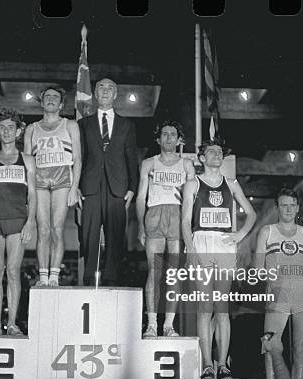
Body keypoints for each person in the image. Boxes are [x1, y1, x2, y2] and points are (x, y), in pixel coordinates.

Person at [181, 140, 256, 379]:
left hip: (224, 243)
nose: (216, 154)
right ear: (202, 158)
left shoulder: (231, 184)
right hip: (201, 240)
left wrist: (240, 234)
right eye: (211, 151)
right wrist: (190, 250)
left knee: (222, 309)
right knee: (205, 309)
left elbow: (251, 213)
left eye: (220, 152)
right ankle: (206, 365)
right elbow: (184, 221)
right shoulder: (193, 183)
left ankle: (222, 364)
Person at [255, 188, 303, 379]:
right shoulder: (267, 231)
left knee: (300, 348)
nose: (289, 209)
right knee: (271, 344)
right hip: (278, 294)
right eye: (284, 205)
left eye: (292, 204)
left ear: (298, 207)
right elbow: (257, 267)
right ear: (277, 207)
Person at [0, 108, 36, 336]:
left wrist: (30, 221)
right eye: (2, 128)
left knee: (13, 270)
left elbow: (32, 193)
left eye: (10, 127)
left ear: (18, 131)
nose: (6, 131)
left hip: (17, 219)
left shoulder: (27, 160)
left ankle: (11, 323)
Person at [136, 120, 195, 337]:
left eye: (173, 134)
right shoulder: (148, 164)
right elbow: (141, 197)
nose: (169, 137)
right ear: (158, 139)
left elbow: (191, 200)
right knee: (154, 271)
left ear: (179, 140)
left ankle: (168, 325)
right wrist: (141, 226)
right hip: (154, 215)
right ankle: (151, 324)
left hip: (178, 216)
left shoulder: (187, 165)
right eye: (165, 134)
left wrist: (188, 229)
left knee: (174, 274)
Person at [78, 78, 138, 285]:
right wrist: (76, 187)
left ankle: (112, 277)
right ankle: (89, 275)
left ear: (115, 94)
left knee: (116, 232)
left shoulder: (127, 125)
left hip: (118, 186)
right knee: (89, 231)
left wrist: (132, 188)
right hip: (90, 184)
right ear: (95, 93)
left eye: (110, 87)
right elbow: (80, 157)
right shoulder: (82, 124)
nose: (105, 90)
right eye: (101, 87)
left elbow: (132, 157)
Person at [24, 86, 81, 286]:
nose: (50, 99)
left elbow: (78, 159)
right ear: (41, 102)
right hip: (39, 178)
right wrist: (27, 192)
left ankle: (54, 277)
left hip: (62, 177)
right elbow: (27, 162)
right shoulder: (31, 129)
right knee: (43, 229)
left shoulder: (70, 125)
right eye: (47, 97)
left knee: (57, 229)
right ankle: (43, 276)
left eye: (55, 97)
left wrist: (74, 188)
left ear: (61, 104)